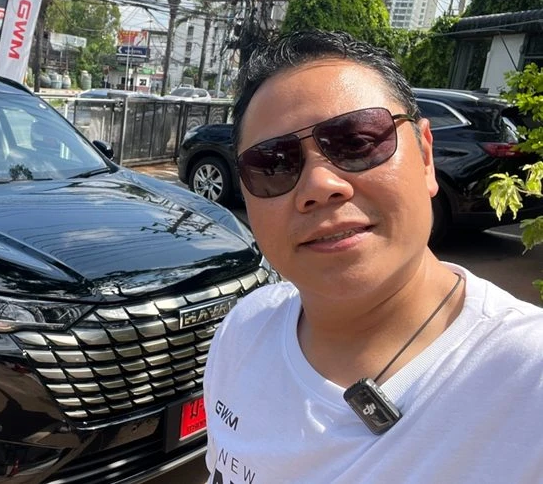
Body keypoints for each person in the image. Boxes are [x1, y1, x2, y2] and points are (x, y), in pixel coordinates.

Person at [204, 30, 543, 483]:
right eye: (274, 164)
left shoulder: (528, 380)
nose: (320, 185)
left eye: (358, 142)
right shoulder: (244, 331)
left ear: (425, 156)